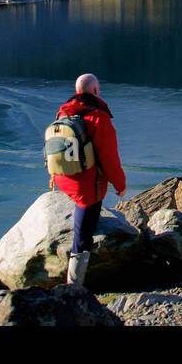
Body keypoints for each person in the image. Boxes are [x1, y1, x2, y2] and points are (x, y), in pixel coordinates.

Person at [52, 73, 126, 286]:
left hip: (62, 176)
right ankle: (74, 285)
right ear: (95, 91)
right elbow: (110, 158)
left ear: (77, 92)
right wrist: (120, 186)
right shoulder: (97, 117)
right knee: (83, 235)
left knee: (83, 214)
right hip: (86, 184)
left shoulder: (63, 112)